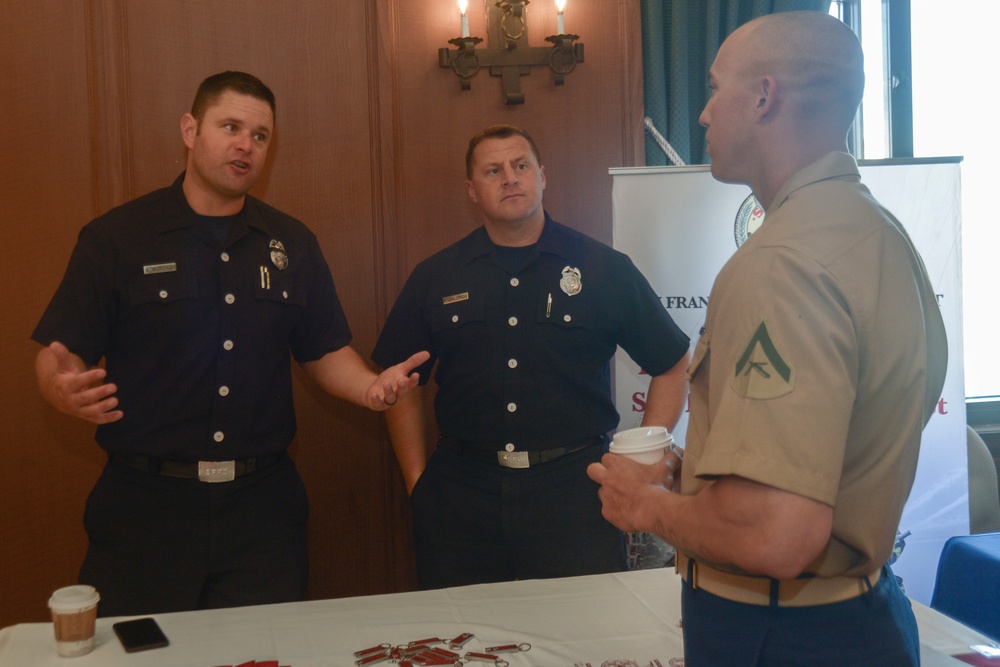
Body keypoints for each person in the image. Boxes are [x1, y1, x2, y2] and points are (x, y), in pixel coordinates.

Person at [587, 11, 948, 666]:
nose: (701, 114)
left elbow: (778, 533)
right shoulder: (882, 235)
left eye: (715, 87)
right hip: (860, 615)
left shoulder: (779, 263)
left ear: (764, 96)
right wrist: (695, 479)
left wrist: (646, 505)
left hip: (783, 633)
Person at [32, 71, 428, 616]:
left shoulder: (291, 243)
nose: (246, 144)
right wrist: (60, 387)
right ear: (190, 130)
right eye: (231, 126)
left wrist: (369, 389)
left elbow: (324, 350)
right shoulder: (117, 237)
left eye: (261, 135)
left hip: (261, 507)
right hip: (145, 507)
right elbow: (60, 352)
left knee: (262, 651)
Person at [372, 124, 691, 589]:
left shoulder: (604, 269)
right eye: (493, 170)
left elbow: (672, 362)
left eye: (521, 166)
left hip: (577, 495)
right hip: (461, 497)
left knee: (584, 640)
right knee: (462, 643)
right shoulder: (436, 277)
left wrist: (644, 462)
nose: (510, 178)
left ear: (543, 177)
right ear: (472, 191)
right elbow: (399, 383)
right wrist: (419, 483)